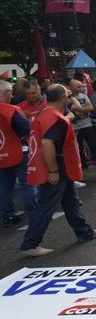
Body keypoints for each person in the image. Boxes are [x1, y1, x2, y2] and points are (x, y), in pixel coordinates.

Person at [20, 84, 96, 257]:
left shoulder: (45, 114)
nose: (68, 98)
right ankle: (30, 243)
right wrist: (53, 171)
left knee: (71, 201)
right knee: (46, 206)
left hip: (60, 167)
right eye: (66, 95)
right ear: (62, 98)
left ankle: (84, 232)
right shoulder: (55, 118)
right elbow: (47, 143)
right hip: (57, 166)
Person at [0, 81, 37, 226]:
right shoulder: (11, 110)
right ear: (5, 93)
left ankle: (7, 215)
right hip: (18, 151)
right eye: (10, 91)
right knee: (28, 183)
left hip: (1, 153)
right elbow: (26, 129)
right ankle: (33, 212)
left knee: (4, 186)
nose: (12, 94)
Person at [68, 79, 96, 172]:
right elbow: (74, 112)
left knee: (94, 145)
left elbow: (91, 107)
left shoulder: (84, 96)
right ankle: (82, 164)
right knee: (78, 147)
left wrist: (79, 109)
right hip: (75, 127)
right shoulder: (68, 98)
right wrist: (83, 110)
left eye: (81, 86)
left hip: (87, 124)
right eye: (78, 86)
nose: (81, 88)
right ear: (72, 87)